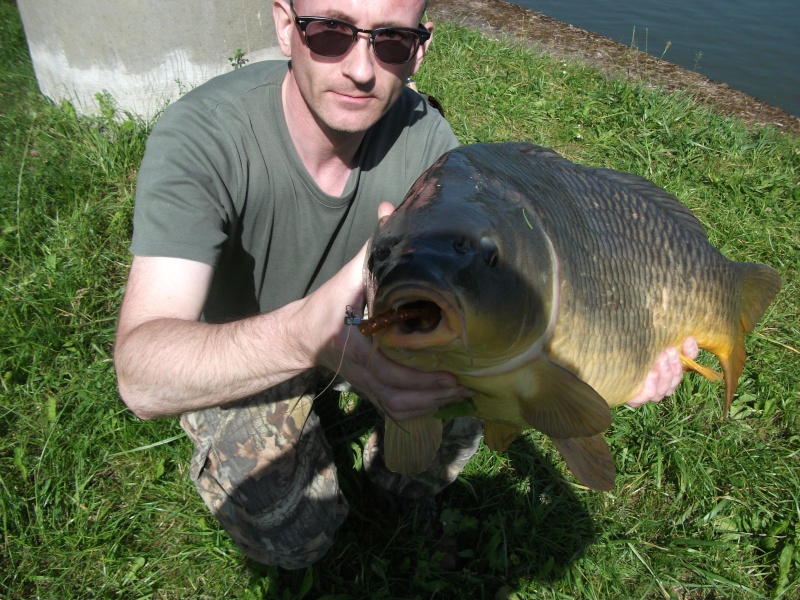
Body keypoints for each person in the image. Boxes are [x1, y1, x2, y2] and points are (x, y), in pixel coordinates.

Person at [114, 0, 698, 570]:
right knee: (294, 535)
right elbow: (141, 376)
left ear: (420, 49)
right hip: (249, 350)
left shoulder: (428, 144)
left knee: (475, 362)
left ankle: (395, 491)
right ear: (284, 24)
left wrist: (604, 370)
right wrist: (302, 336)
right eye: (330, 33)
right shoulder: (204, 137)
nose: (362, 69)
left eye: (390, 41)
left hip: (380, 326)